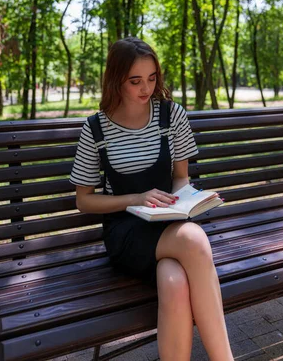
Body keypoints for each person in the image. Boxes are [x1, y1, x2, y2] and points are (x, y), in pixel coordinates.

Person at [70, 37, 234, 361]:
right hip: (126, 233)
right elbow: (84, 200)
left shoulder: (171, 116)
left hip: (168, 224)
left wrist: (185, 199)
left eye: (152, 78)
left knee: (173, 281)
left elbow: (181, 176)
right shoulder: (96, 129)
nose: (146, 88)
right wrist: (136, 198)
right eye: (135, 81)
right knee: (195, 240)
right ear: (116, 79)